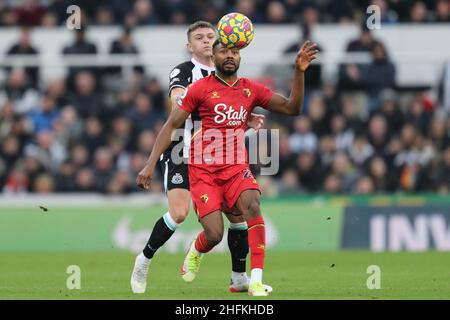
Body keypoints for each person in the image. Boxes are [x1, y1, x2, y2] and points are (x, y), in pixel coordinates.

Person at [136, 39, 318, 296]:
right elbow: (171, 125)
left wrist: (299, 72)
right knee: (214, 235)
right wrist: (150, 163)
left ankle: (254, 280)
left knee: (252, 205)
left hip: (236, 166)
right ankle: (197, 249)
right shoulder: (199, 89)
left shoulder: (250, 89)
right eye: (223, 51)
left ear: (240, 58)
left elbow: (293, 108)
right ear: (214, 56)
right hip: (203, 171)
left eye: (234, 52)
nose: (230, 56)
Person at [130, 21, 268, 295]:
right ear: (189, 45)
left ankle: (238, 277)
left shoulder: (228, 71)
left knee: (238, 217)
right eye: (199, 38)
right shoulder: (184, 72)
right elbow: (178, 103)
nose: (206, 41)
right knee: (179, 213)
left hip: (220, 154)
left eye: (210, 37)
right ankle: (144, 260)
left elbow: (232, 102)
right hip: (183, 148)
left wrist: (243, 115)